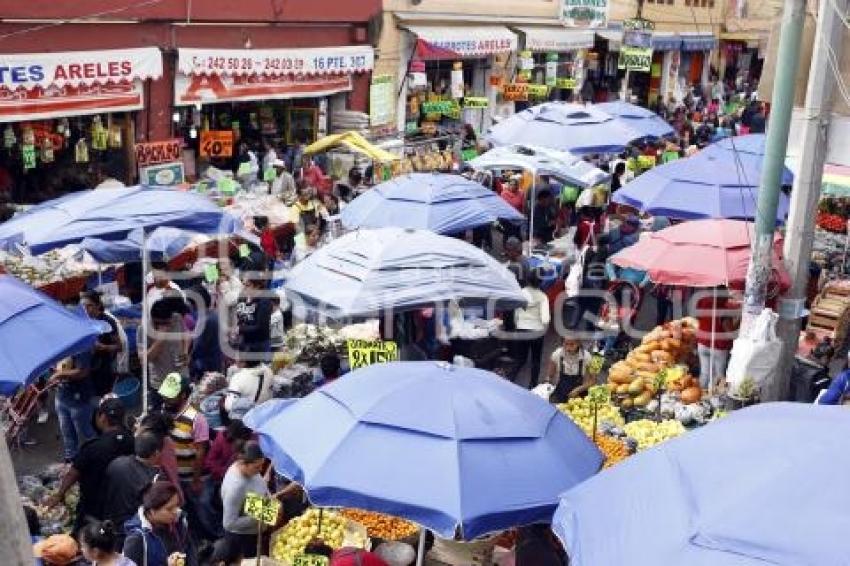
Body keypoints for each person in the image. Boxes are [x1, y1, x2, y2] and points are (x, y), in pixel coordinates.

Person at [47, 397, 134, 531]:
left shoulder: (93, 447)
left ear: (102, 417)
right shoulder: (131, 441)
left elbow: (73, 473)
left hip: (94, 510)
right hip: (122, 507)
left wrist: (59, 494)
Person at [159, 373, 217, 540]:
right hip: (176, 477)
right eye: (165, 395)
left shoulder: (196, 419)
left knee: (203, 509)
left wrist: (197, 479)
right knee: (187, 511)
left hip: (196, 477)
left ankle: (215, 536)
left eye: (171, 396)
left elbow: (201, 451)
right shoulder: (164, 412)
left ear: (183, 395)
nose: (166, 399)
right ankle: (194, 536)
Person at [103, 430, 164, 539]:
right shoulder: (152, 480)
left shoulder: (116, 463)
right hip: (133, 528)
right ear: (156, 453)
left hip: (112, 523)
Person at [123, 481, 195, 566]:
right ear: (152, 511)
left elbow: (190, 552)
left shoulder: (179, 522)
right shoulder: (136, 539)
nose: (176, 511)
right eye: (169, 509)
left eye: (177, 505)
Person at [221, 442, 270, 558]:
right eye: (257, 467)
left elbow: (259, 484)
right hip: (244, 539)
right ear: (243, 463)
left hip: (256, 530)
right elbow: (229, 523)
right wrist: (260, 516)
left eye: (262, 465)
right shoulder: (236, 487)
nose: (260, 470)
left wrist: (268, 497)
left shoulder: (250, 471)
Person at [141, 299, 189, 409]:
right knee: (160, 415)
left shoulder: (177, 318)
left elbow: (185, 335)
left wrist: (186, 352)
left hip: (181, 375)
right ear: (155, 321)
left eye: (170, 320)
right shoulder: (144, 330)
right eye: (167, 322)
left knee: (184, 410)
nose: (171, 323)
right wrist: (161, 338)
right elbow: (144, 359)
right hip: (160, 382)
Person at [50, 348, 95, 462]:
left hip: (78, 399)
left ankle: (94, 458)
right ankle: (71, 459)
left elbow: (82, 371)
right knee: (67, 432)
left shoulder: (81, 348)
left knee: (85, 433)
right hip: (61, 396)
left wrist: (59, 375)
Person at [508, 270, 550, 388]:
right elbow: (545, 319)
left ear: (527, 279)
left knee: (519, 360)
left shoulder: (521, 294)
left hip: (521, 330)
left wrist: (518, 325)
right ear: (540, 282)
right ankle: (533, 386)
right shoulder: (542, 297)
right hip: (536, 332)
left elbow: (515, 314)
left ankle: (509, 381)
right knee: (536, 360)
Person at [694, 289, 739, 389]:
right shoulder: (724, 310)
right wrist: (738, 321)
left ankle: (701, 395)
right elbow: (730, 333)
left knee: (705, 373)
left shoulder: (702, 301)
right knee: (719, 376)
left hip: (702, 343)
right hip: (719, 347)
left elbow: (698, 317)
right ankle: (717, 399)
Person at [81, 291, 121, 396]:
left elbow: (119, 347)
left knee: (102, 395)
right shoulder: (83, 320)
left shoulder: (108, 322)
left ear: (98, 305)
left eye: (89, 306)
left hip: (103, 368)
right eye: (83, 306)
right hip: (87, 366)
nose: (86, 309)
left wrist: (103, 347)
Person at [234, 276, 273, 360]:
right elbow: (239, 316)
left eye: (247, 285)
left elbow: (260, 327)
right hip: (245, 342)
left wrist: (240, 329)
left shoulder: (264, 301)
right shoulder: (242, 298)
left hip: (259, 344)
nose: (244, 288)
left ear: (257, 285)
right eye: (243, 284)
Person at [547, 336, 594, 403]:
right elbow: (550, 375)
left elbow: (593, 380)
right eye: (566, 344)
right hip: (561, 393)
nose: (568, 348)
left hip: (579, 396)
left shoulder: (587, 357)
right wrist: (547, 381)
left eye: (572, 344)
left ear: (578, 343)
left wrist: (578, 390)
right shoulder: (557, 354)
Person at [190, 286, 223, 379]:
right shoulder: (213, 315)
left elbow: (198, 347)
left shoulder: (205, 320)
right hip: (214, 362)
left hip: (206, 366)